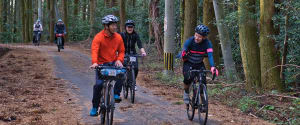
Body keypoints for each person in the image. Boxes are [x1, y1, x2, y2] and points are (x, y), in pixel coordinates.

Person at [89, 15, 125, 116]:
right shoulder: (98, 37)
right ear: (106, 26)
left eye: (115, 25)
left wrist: (119, 60)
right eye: (112, 25)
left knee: (122, 73)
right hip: (101, 64)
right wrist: (95, 62)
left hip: (113, 63)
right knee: (98, 85)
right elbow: (94, 51)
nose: (115, 27)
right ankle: (95, 107)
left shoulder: (118, 37)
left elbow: (122, 51)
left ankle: (116, 93)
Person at [181, 24, 219, 104]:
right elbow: (184, 49)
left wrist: (212, 67)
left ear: (204, 37)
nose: (197, 38)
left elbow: (210, 56)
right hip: (188, 63)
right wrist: (184, 53)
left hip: (199, 63)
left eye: (199, 37)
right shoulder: (190, 40)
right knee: (188, 79)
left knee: (203, 81)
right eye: (196, 35)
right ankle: (186, 92)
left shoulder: (207, 43)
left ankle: (203, 99)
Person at [120, 20, 147, 91]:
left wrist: (143, 52)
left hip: (133, 54)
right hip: (124, 53)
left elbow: (139, 45)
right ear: (126, 27)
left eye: (131, 27)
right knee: (124, 68)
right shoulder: (122, 35)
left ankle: (133, 82)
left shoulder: (135, 35)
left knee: (135, 68)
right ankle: (124, 80)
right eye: (128, 27)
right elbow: (118, 44)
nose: (130, 28)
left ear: (133, 28)